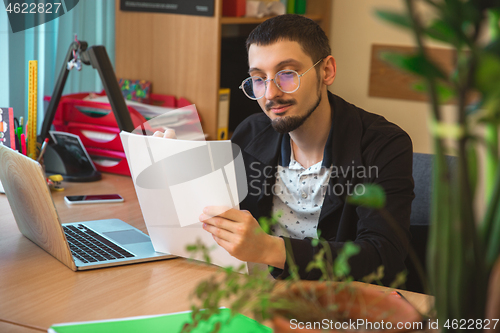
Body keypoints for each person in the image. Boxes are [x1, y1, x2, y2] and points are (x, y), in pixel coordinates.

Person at [154, 14, 414, 285]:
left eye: (287, 74)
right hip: (263, 292)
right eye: (258, 79)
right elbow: (224, 220)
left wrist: (269, 249)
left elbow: (384, 255)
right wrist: (178, 166)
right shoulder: (251, 132)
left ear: (326, 71)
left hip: (342, 302)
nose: (270, 94)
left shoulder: (384, 145)